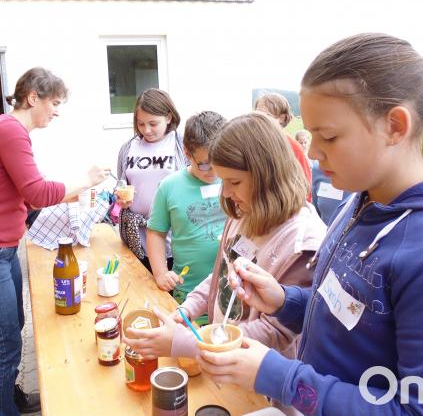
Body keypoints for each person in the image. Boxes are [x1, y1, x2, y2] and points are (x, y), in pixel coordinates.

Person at [197, 33, 423, 415]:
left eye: (329, 136)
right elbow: (348, 314)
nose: (311, 152)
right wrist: (284, 301)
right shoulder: (360, 202)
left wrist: (281, 378)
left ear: (395, 126)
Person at [124, 113, 326, 416]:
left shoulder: (303, 241)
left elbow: (278, 331)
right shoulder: (242, 211)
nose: (226, 193)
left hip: (266, 394)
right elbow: (220, 275)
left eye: (233, 181)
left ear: (266, 175)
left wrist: (186, 343)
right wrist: (188, 308)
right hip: (225, 365)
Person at [0, 67, 110, 416]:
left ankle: (10, 398)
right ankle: (4, 410)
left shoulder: (7, 130)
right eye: (54, 102)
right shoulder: (10, 130)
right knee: (2, 344)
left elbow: (28, 198)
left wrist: (68, 199)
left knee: (11, 330)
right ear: (33, 97)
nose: (56, 110)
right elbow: (36, 191)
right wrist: (85, 181)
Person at [146, 111, 228, 325]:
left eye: (219, 162)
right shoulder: (169, 187)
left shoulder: (233, 180)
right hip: (189, 295)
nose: (212, 171)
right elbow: (155, 232)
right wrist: (160, 272)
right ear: (187, 153)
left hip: (230, 296)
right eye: (204, 164)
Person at [116, 88, 189, 272]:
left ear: (169, 117)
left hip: (174, 237)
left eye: (153, 123)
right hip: (137, 238)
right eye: (141, 124)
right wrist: (120, 198)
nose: (146, 130)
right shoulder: (128, 147)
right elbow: (121, 183)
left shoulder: (182, 144)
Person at [254, 93, 313, 199]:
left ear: (281, 118)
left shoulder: (292, 146)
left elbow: (306, 186)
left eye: (266, 115)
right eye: (257, 114)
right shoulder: (252, 143)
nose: (259, 119)